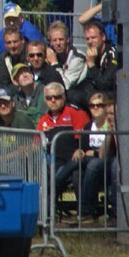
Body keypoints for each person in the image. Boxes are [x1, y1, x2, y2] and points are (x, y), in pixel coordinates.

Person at [36, 82, 91, 212]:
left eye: (57, 97)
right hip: (50, 161)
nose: (53, 100)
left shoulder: (75, 113)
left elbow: (84, 139)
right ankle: (46, 212)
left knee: (74, 172)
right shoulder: (43, 120)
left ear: (64, 97)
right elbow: (36, 143)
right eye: (49, 98)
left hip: (72, 161)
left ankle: (84, 212)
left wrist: (80, 149)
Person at [76, 93, 114, 223]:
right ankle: (82, 211)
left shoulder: (110, 125)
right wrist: (82, 151)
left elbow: (104, 154)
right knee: (76, 171)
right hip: (89, 162)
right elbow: (84, 149)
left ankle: (87, 211)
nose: (95, 108)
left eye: (99, 105)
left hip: (106, 163)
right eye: (92, 105)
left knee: (93, 164)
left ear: (106, 108)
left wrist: (108, 133)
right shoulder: (88, 126)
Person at [0, 88, 36, 166]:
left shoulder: (22, 119)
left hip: (23, 162)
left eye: (6, 102)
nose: (3, 106)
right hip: (0, 161)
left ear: (13, 103)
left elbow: (24, 149)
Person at [68, 20, 119, 106]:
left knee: (79, 97)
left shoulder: (112, 54)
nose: (90, 42)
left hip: (112, 93)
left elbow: (105, 84)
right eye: (87, 39)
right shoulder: (94, 54)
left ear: (103, 37)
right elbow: (89, 80)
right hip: (97, 89)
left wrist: (91, 65)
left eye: (93, 38)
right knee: (70, 94)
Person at [0, 2, 45, 72]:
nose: (11, 22)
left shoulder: (31, 32)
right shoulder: (1, 35)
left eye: (14, 19)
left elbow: (39, 54)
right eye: (8, 19)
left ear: (21, 18)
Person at [45, 20, 87, 91]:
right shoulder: (53, 55)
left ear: (67, 40)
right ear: (51, 43)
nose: (58, 43)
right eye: (54, 40)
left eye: (61, 39)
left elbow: (66, 85)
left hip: (78, 92)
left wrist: (54, 64)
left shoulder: (78, 58)